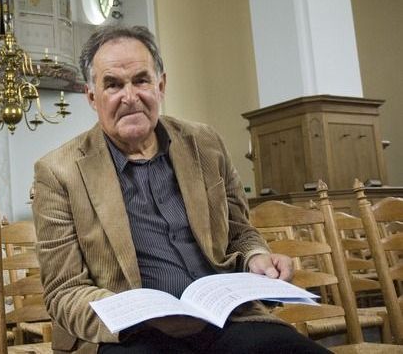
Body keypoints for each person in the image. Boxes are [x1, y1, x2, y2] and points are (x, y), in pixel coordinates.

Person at [31, 25, 331, 354]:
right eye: (113, 85)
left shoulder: (206, 143)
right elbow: (65, 292)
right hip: (132, 335)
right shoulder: (58, 172)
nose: (130, 97)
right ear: (92, 96)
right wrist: (137, 316)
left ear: (160, 85)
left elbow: (240, 233)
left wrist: (257, 258)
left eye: (141, 80)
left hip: (228, 321)